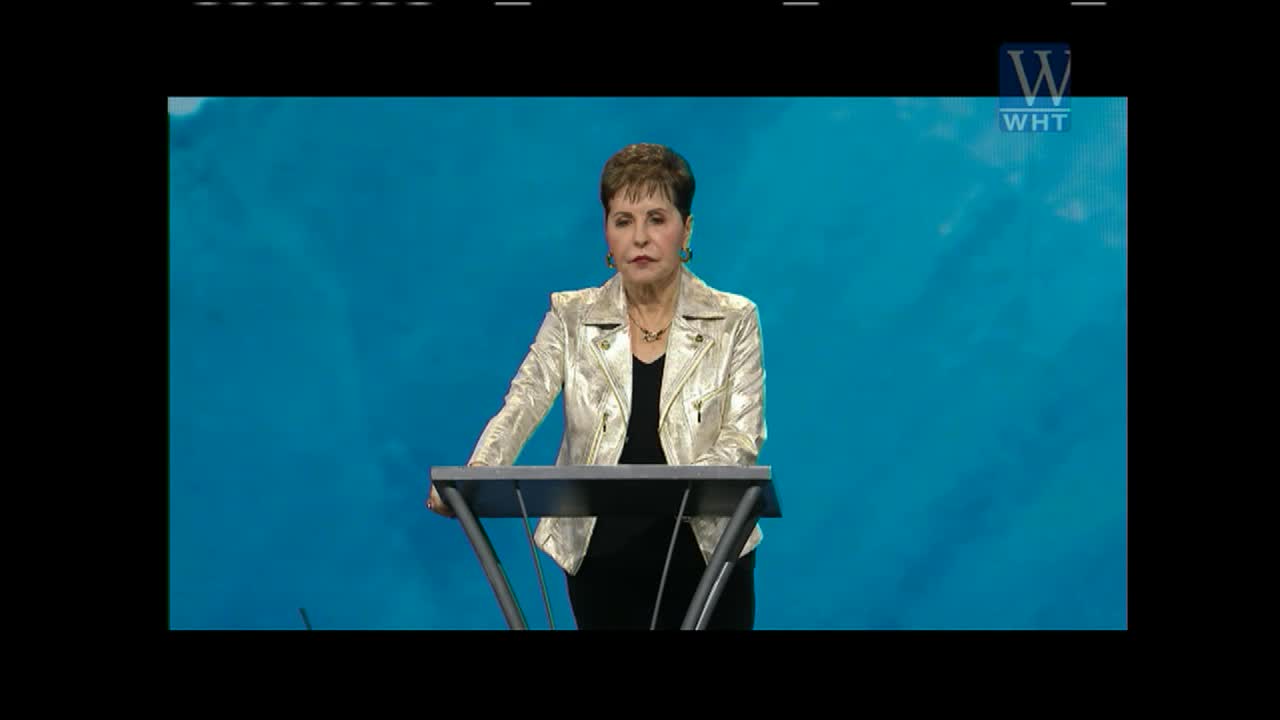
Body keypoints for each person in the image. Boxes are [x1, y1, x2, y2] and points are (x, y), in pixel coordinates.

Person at [427, 143, 768, 630]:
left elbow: (741, 436)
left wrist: (678, 493)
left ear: (686, 229)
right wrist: (480, 471)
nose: (641, 238)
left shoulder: (734, 319)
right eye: (623, 221)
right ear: (607, 234)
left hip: (709, 552)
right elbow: (523, 401)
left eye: (656, 218)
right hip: (601, 558)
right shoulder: (571, 316)